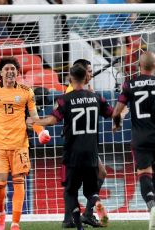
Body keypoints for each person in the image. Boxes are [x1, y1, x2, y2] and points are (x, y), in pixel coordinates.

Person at [27, 63, 115, 230]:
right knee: (90, 190)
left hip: (72, 152)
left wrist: (35, 121)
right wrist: (119, 117)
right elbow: (113, 113)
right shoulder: (96, 97)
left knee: (70, 191)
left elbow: (52, 120)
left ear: (69, 78)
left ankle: (78, 226)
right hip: (91, 152)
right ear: (86, 77)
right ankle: (96, 203)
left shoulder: (65, 99)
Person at [0, 56, 51, 230]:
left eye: (13, 69)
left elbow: (34, 118)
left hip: (21, 145)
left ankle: (15, 222)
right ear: (0, 73)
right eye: (6, 69)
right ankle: (0, 213)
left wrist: (41, 132)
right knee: (0, 184)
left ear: (17, 72)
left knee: (19, 182)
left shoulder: (26, 91)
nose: (10, 71)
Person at [112, 51, 155, 230]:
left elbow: (116, 111)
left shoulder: (130, 84)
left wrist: (117, 123)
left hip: (140, 137)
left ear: (139, 66)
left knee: (144, 174)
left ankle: (151, 207)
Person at [62, 59, 108, 228]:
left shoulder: (82, 90)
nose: (91, 74)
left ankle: (82, 215)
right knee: (73, 184)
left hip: (79, 143)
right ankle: (77, 216)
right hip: (78, 144)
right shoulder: (74, 91)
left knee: (95, 175)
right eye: (88, 71)